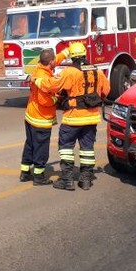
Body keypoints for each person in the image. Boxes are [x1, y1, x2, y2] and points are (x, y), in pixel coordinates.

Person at [35, 41, 110, 191]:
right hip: (91, 118)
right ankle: (86, 179)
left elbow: (53, 85)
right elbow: (106, 91)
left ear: (72, 58)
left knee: (66, 147)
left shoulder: (70, 72)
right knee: (87, 148)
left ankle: (67, 180)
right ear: (84, 54)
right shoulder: (97, 71)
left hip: (73, 117)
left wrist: (38, 80)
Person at [19, 48, 60, 185]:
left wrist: (66, 52)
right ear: (51, 62)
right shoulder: (45, 78)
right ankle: (39, 176)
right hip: (41, 119)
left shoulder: (38, 69)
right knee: (41, 147)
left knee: (30, 144)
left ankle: (25, 172)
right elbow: (44, 101)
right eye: (55, 60)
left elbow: (54, 59)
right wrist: (56, 99)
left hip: (30, 115)